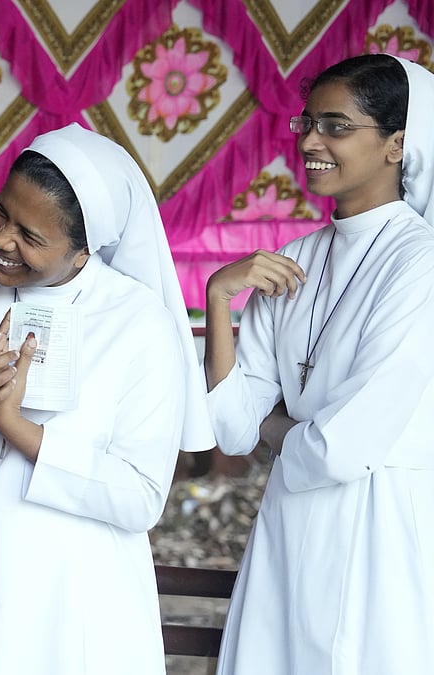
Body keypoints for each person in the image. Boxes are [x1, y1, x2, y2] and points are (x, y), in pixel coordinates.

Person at [0, 123, 215, 674]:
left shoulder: (138, 322)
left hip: (80, 606)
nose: (2, 239)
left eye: (30, 236)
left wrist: (18, 429)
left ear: (83, 252)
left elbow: (140, 498)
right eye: (0, 213)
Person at [204, 54, 434, 674]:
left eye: (336, 126)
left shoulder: (420, 263)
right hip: (288, 524)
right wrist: (220, 296)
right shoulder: (291, 260)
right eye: (307, 123)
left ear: (396, 144)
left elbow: (343, 448)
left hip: (377, 523)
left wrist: (276, 429)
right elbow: (228, 427)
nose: (309, 141)